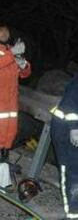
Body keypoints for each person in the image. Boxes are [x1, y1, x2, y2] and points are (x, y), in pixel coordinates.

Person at [0, 23, 31, 163]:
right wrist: (13, 53)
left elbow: (25, 74)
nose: (5, 34)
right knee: (1, 129)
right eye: (1, 31)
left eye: (7, 31)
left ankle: (4, 158)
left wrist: (23, 65)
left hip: (12, 97)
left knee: (12, 130)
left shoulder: (11, 50)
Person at [50, 75, 78, 219]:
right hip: (66, 131)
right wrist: (74, 128)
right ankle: (73, 213)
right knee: (72, 173)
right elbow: (70, 103)